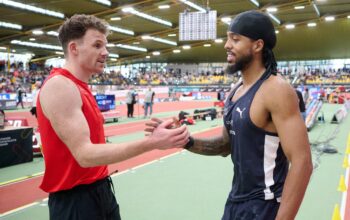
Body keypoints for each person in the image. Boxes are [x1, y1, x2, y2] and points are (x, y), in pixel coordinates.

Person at [146, 10, 312, 220]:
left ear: (258, 45)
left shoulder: (276, 90)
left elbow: (302, 161)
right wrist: (183, 140)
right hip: (236, 202)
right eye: (227, 38)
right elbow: (225, 145)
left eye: (235, 39)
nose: (226, 45)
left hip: (266, 206)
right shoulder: (236, 89)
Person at [37, 14, 189, 220]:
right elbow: (85, 155)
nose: (106, 52)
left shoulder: (80, 86)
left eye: (105, 46)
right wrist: (152, 143)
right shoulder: (60, 86)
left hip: (100, 190)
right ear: (74, 48)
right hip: (76, 201)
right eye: (98, 45)